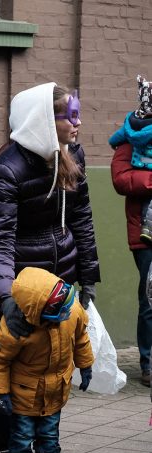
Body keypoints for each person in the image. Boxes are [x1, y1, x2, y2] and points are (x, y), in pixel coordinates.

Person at [0, 83, 100, 453]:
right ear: (43, 122)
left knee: (51, 369)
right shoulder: (9, 168)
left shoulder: (73, 155)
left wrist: (89, 277)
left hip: (60, 285)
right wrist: (3, 298)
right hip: (17, 289)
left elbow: (81, 218)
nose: (78, 122)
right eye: (70, 115)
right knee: (9, 374)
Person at [0, 267, 93, 453]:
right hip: (23, 396)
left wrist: (86, 364)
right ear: (36, 312)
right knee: (21, 441)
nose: (66, 312)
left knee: (49, 441)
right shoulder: (17, 329)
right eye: (59, 310)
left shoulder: (72, 313)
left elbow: (81, 338)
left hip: (54, 393)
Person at [109, 75, 152, 388]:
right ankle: (148, 364)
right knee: (150, 299)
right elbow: (121, 179)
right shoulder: (131, 136)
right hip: (145, 234)